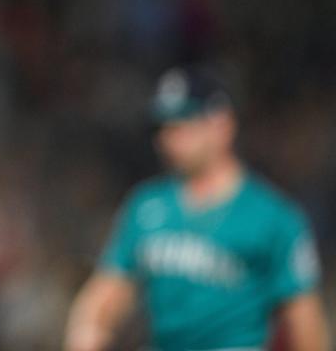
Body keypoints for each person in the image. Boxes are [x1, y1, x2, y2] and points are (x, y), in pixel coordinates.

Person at [64, 66, 330, 351]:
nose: (170, 138)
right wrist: (87, 328)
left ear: (222, 124)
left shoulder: (273, 217)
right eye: (164, 127)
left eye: (184, 123)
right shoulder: (146, 208)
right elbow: (106, 293)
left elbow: (305, 320)